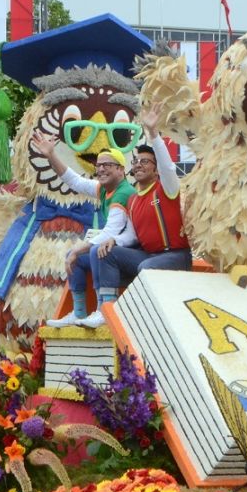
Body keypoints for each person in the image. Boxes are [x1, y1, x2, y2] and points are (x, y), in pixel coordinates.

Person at [88, 103, 192, 328]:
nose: (139, 164)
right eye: (136, 161)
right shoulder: (133, 199)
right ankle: (106, 311)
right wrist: (114, 240)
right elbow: (132, 235)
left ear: (156, 170)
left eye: (145, 161)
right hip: (147, 255)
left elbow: (169, 168)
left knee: (146, 269)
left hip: (176, 255)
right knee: (105, 252)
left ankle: (152, 321)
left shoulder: (167, 188)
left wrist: (153, 133)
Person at [32, 131, 137, 328]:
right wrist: (51, 155)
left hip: (130, 251)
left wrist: (78, 249)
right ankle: (79, 312)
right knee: (79, 259)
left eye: (107, 165)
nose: (102, 169)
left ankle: (104, 310)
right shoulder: (106, 189)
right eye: (99, 165)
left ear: (121, 170)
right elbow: (75, 181)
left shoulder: (124, 193)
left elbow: (111, 233)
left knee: (99, 250)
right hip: (114, 247)